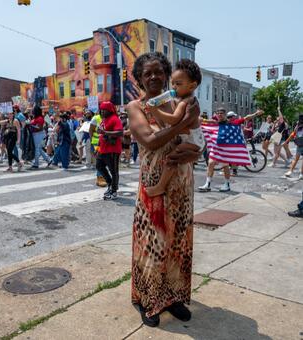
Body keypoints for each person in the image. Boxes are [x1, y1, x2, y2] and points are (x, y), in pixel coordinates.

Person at [127, 52, 201, 327]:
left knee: (177, 243)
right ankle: (147, 300)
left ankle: (172, 297)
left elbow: (195, 141)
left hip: (181, 183)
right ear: (140, 80)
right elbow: (150, 140)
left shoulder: (177, 102)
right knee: (152, 244)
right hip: (154, 186)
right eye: (147, 73)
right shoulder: (135, 107)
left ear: (167, 74)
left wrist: (192, 153)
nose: (154, 77)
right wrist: (181, 123)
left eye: (159, 72)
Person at [145, 58, 205, 197]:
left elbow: (174, 120)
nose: (173, 87)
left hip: (192, 141)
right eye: (172, 83)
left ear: (192, 86)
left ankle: (160, 186)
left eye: (178, 84)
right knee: (174, 158)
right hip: (193, 139)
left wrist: (155, 111)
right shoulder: (184, 100)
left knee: (171, 159)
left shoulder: (185, 102)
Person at [199, 108, 263, 192]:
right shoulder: (216, 123)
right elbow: (208, 122)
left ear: (225, 114)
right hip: (216, 148)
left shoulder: (233, 123)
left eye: (221, 113)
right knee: (210, 164)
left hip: (226, 150)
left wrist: (256, 114)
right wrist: (201, 119)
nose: (219, 115)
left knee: (225, 166)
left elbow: (246, 118)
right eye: (218, 113)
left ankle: (227, 184)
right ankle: (207, 184)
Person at [96, 101, 123, 200]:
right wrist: (98, 147)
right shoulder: (104, 120)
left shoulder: (115, 119)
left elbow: (120, 132)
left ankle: (114, 190)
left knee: (114, 171)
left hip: (113, 150)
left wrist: (104, 132)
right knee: (98, 166)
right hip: (103, 149)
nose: (102, 111)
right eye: (101, 109)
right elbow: (101, 135)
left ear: (110, 110)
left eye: (105, 110)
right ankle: (110, 184)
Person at [89, 111, 107, 187]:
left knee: (104, 160)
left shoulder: (109, 117)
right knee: (101, 160)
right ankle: (100, 178)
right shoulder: (95, 118)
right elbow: (91, 130)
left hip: (106, 142)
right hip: (97, 142)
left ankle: (102, 177)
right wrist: (91, 140)